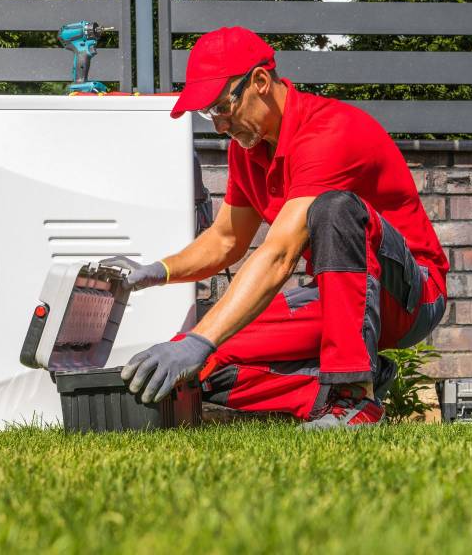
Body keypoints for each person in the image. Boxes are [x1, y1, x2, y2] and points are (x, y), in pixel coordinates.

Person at [103, 27, 448, 429]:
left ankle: (353, 397)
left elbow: (280, 253)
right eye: (208, 114)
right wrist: (157, 272)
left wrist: (202, 338)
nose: (218, 126)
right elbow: (225, 240)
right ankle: (347, 386)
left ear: (261, 82)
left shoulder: (330, 132)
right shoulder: (247, 151)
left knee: (334, 209)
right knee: (199, 367)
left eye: (221, 108)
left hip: (410, 296)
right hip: (339, 299)